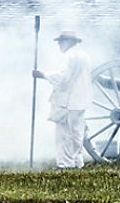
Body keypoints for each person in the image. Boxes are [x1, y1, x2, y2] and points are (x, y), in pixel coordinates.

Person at [33, 30, 92, 169]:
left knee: (64, 134)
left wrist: (42, 75)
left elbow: (63, 76)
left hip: (69, 100)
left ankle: (65, 164)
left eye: (61, 42)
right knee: (77, 132)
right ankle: (78, 162)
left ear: (69, 42)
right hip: (81, 99)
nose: (59, 44)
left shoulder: (69, 56)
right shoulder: (84, 55)